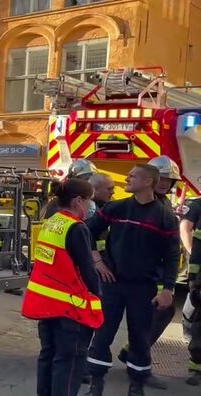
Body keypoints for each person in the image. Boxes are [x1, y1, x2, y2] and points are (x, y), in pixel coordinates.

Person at [86, 164, 180, 396]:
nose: (127, 178)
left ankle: (136, 386)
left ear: (148, 182)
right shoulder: (116, 208)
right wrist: (98, 262)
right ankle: (95, 384)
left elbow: (171, 256)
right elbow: (86, 231)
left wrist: (168, 288)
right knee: (103, 333)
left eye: (133, 176)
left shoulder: (164, 216)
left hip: (143, 287)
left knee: (139, 336)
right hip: (113, 285)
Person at [22, 178, 102, 396]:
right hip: (69, 307)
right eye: (89, 200)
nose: (90, 206)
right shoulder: (77, 228)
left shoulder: (53, 220)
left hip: (46, 303)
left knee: (48, 355)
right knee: (69, 361)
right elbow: (88, 270)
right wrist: (99, 295)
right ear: (78, 201)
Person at [115, 156, 182, 390]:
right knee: (141, 320)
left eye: (169, 180)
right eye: (162, 178)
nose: (165, 183)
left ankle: (135, 359)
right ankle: (137, 364)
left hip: (150, 273)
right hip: (127, 275)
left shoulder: (163, 205)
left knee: (154, 315)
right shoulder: (139, 204)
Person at [181, 197, 201, 385]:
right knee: (194, 319)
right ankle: (197, 367)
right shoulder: (198, 205)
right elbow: (186, 228)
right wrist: (193, 278)